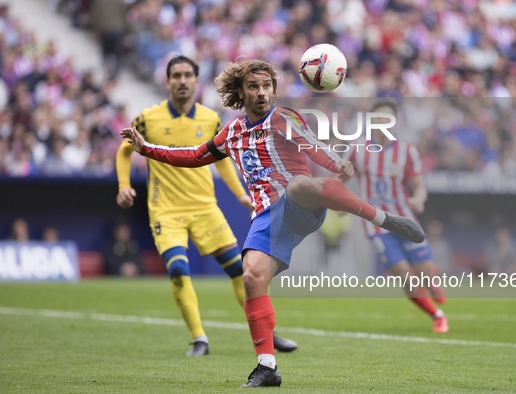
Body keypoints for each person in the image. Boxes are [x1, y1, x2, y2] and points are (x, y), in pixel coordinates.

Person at [121, 59, 425, 387]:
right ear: (241, 92)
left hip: (299, 204)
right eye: (254, 86)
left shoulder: (283, 118)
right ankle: (267, 367)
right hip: (267, 216)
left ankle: (384, 218)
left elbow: (313, 146)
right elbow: (195, 156)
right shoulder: (232, 132)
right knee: (251, 275)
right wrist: (146, 149)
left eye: (267, 86)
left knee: (298, 184)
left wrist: (337, 164)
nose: (262, 92)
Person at [115, 55, 298, 357]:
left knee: (242, 272)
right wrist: (123, 185)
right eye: (177, 75)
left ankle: (268, 333)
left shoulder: (210, 119)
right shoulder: (148, 118)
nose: (183, 80)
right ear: (168, 81)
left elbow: (224, 160)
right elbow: (125, 151)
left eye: (188, 75)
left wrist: (240, 193)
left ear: (196, 81)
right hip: (166, 210)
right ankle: (199, 338)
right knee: (178, 270)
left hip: (205, 208)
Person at [349, 99, 448, 334]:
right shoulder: (358, 150)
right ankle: (437, 315)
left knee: (425, 273)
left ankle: (433, 284)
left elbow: (419, 185)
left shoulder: (407, 151)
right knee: (404, 273)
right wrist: (340, 202)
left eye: (388, 118)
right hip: (376, 224)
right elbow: (341, 179)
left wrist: (419, 200)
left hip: (405, 219)